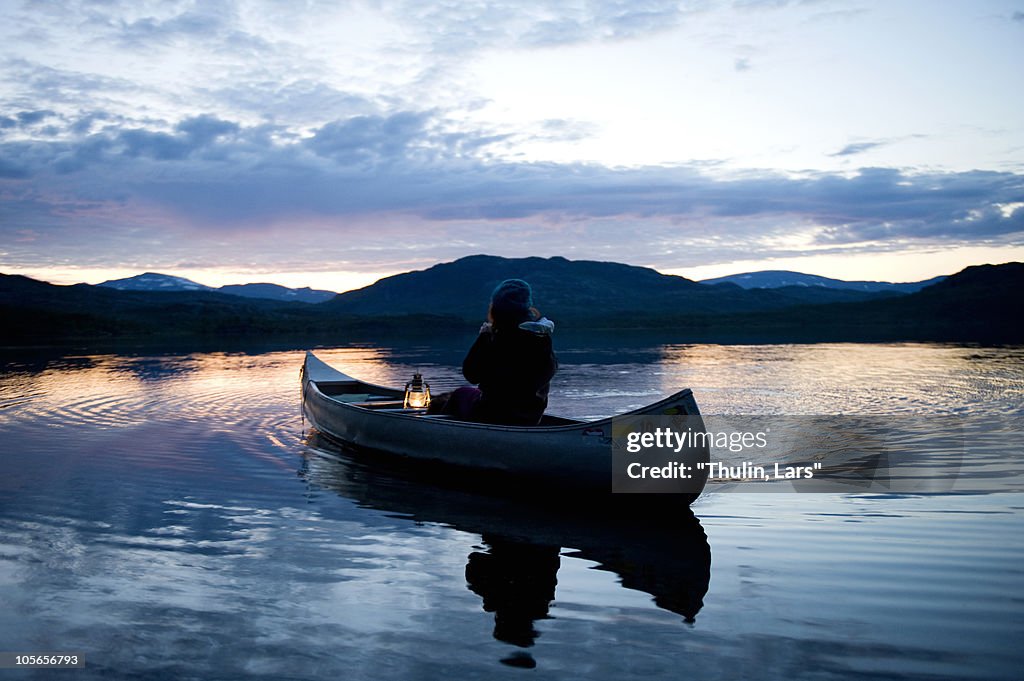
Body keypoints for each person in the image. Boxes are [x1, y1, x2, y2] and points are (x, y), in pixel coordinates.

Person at [433, 279, 558, 426]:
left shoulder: (497, 338)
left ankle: (439, 433)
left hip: (493, 415)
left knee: (459, 394)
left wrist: (484, 336)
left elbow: (471, 374)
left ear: (496, 308)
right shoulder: (541, 338)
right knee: (465, 395)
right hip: (531, 417)